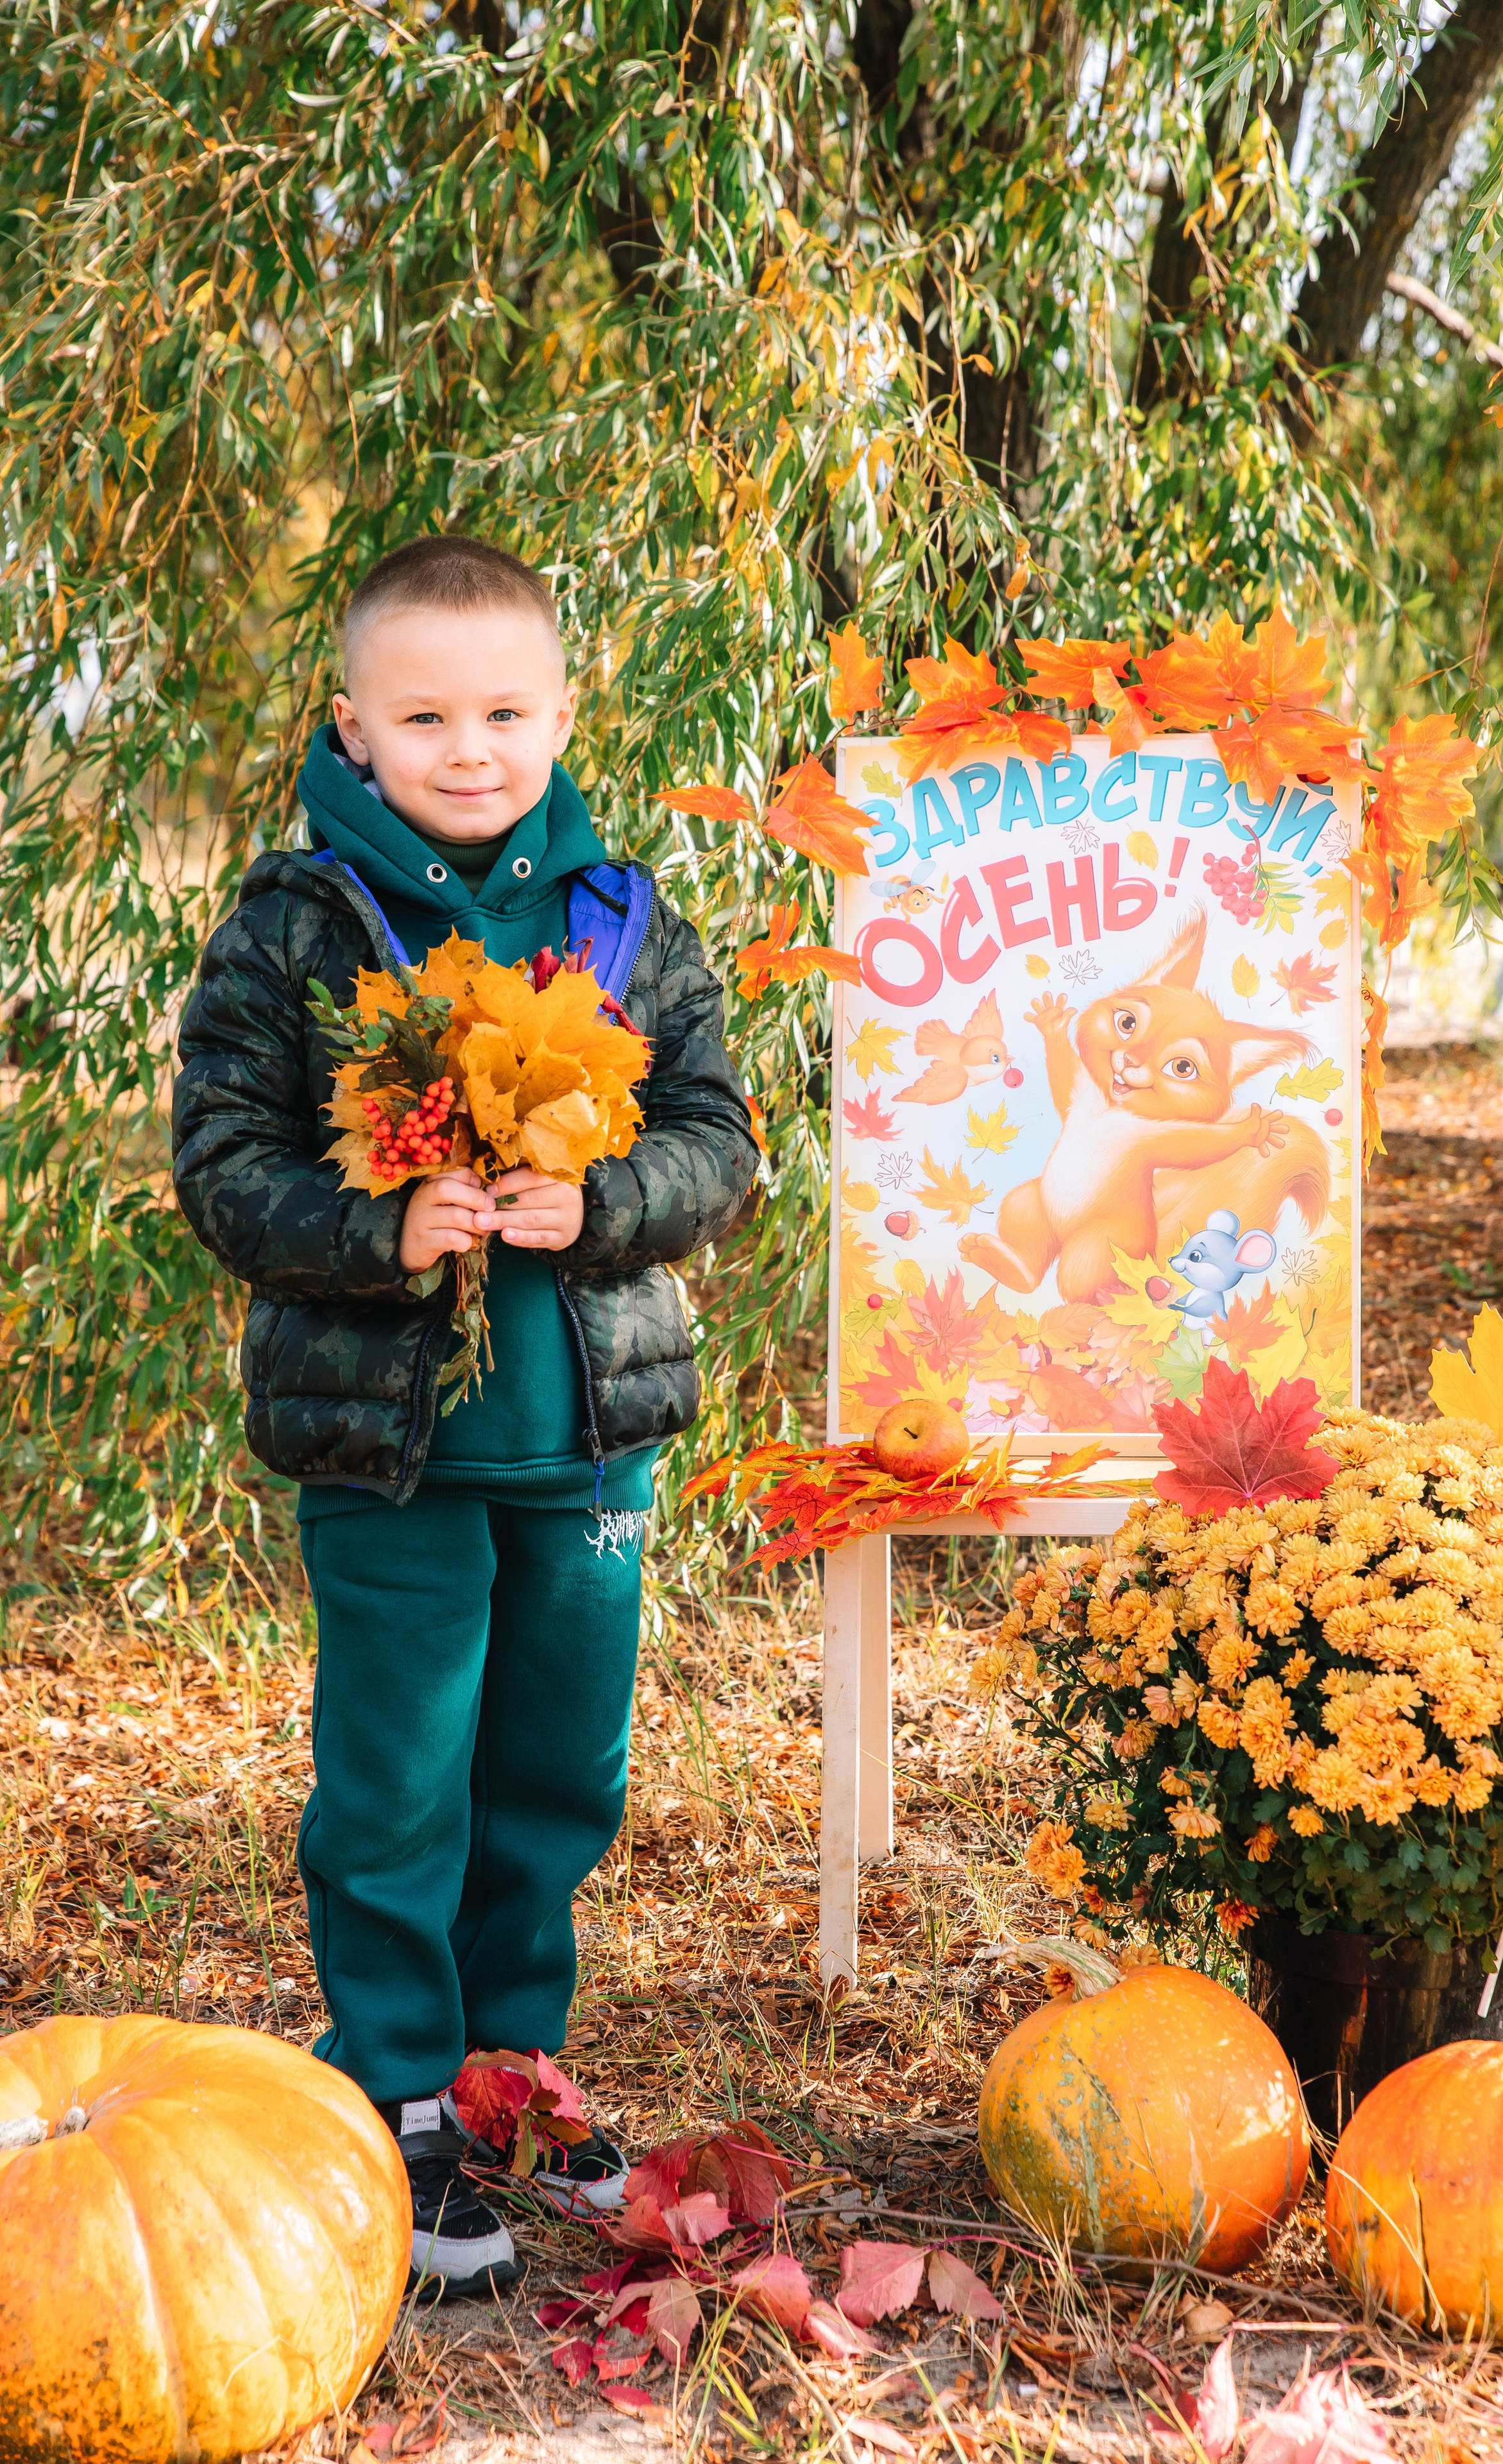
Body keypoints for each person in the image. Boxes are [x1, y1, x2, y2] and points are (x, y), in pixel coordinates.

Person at [173, 535, 758, 2298]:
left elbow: (721, 1140)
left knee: (557, 1772)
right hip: (393, 1446)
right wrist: (378, 1229)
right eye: (426, 715)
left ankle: (518, 2073)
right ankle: (403, 2090)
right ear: (355, 727)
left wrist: (614, 1202)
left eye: (504, 711)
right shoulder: (299, 925)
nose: (471, 747)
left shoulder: (624, 916)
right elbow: (224, 1167)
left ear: (560, 712)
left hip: (588, 1441)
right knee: (402, 1774)